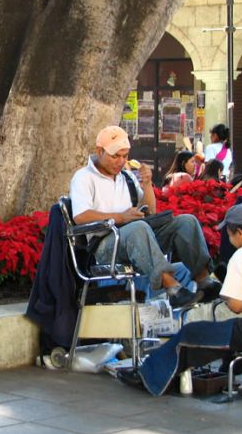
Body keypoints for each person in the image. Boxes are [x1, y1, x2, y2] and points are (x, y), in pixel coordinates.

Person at [125, 204, 242, 396]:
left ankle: (148, 377)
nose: (229, 241)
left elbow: (236, 307)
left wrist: (226, 295)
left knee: (190, 334)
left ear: (238, 232)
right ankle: (225, 375)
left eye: (229, 235)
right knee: (228, 331)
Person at [69, 126, 219, 309]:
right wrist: (120, 217)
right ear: (99, 152)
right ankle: (172, 288)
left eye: (125, 156)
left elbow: (150, 210)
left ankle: (204, 281)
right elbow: (81, 216)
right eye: (115, 156)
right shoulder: (83, 178)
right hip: (105, 245)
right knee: (137, 228)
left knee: (186, 222)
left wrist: (147, 184)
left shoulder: (126, 177)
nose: (121, 161)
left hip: (138, 238)